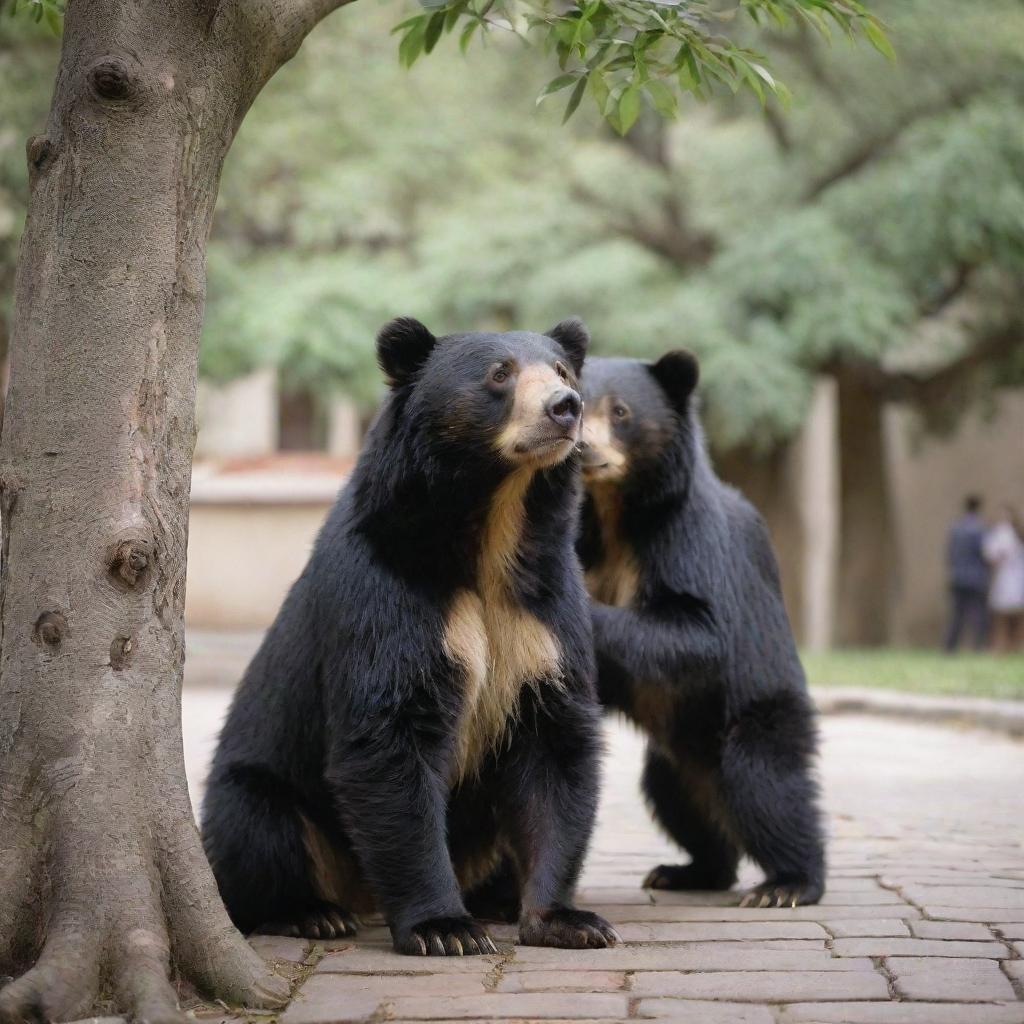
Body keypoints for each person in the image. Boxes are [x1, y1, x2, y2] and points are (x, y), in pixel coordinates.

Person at [944, 495, 990, 652]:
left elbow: (949, 554)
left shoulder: (955, 528)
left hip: (957, 577)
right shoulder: (980, 529)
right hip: (976, 577)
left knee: (957, 614)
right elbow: (985, 553)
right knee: (978, 614)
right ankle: (979, 647)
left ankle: (949, 647)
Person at [983, 504, 1024, 653]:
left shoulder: (1017, 534)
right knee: (1001, 615)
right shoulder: (997, 534)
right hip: (1004, 578)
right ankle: (1001, 645)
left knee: (1018, 614)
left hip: (1017, 578)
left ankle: (1017, 645)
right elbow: (991, 556)